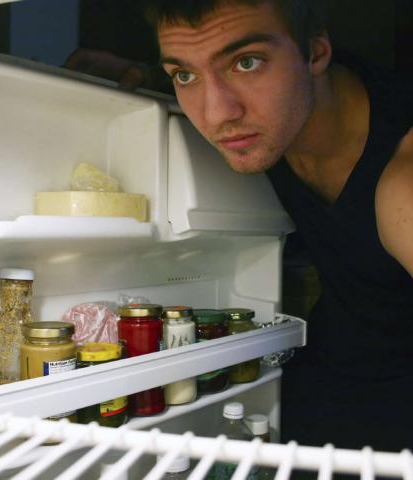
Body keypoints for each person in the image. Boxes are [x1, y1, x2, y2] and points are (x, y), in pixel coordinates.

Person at [138, 0, 413, 455]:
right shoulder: (279, 114)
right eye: (184, 75)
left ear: (316, 52)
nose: (215, 114)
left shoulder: (402, 180)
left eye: (246, 63)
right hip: (324, 376)